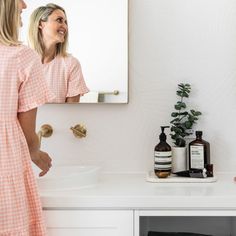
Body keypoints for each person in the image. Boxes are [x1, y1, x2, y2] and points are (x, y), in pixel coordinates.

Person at [0, 0, 53, 234]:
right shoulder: (21, 57)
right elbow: (25, 122)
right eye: (19, 6)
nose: (24, 6)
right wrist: (35, 151)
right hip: (6, 157)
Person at [28, 3, 89, 103]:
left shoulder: (71, 64)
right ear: (40, 24)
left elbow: (72, 113)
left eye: (66, 22)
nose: (65, 26)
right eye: (59, 20)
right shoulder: (22, 62)